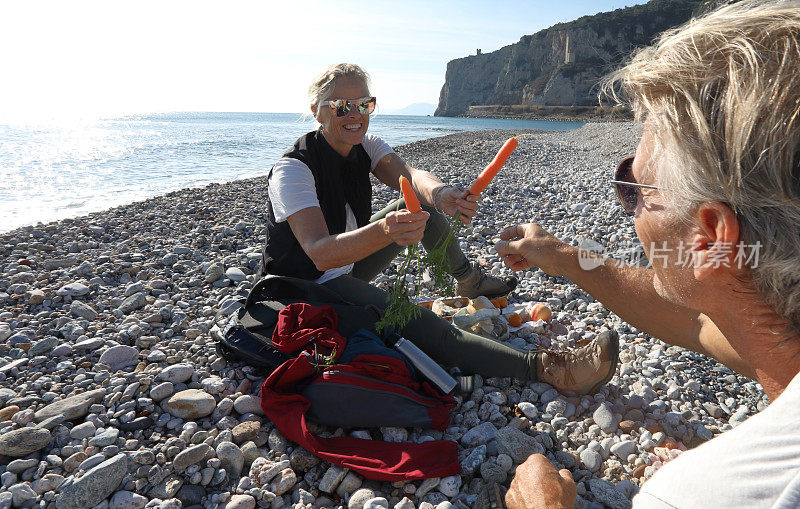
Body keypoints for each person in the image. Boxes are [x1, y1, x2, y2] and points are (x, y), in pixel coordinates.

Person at [495, 1, 800, 507]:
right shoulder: (774, 330)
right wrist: (558, 253)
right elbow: (698, 324)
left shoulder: (716, 494)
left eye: (633, 186)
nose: (628, 205)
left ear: (712, 236)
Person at [258, 62, 619, 393]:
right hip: (304, 288)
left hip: (345, 266)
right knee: (417, 321)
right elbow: (320, 253)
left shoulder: (363, 145)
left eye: (364, 104)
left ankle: (468, 280)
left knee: (422, 211)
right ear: (316, 111)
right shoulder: (294, 170)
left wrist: (442, 194)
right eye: (341, 106)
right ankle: (549, 369)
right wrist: (386, 231)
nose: (355, 115)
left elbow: (412, 177)